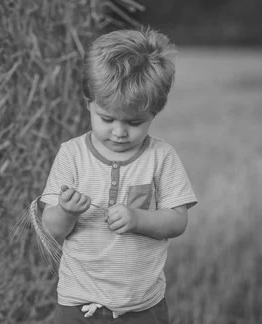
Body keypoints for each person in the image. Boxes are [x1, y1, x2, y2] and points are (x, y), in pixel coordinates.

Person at [40, 28, 197, 323]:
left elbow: (178, 220)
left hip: (142, 306)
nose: (120, 132)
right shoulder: (71, 154)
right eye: (107, 118)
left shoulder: (161, 157)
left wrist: (139, 219)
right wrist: (66, 211)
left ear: (155, 112)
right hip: (78, 303)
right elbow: (52, 229)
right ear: (89, 101)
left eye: (135, 122)